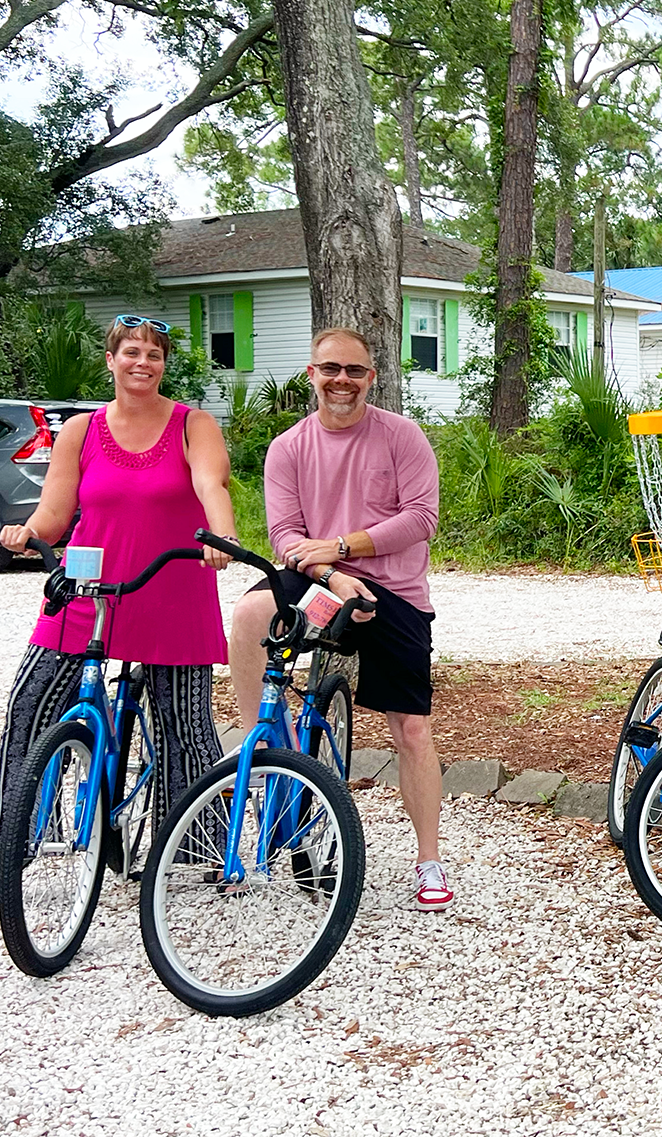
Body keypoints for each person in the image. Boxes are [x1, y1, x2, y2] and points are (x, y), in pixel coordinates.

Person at [0, 317, 238, 904]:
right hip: (88, 590)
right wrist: (27, 532)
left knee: (186, 722)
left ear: (163, 364)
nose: (142, 362)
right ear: (111, 360)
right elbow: (56, 514)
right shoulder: (80, 430)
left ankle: (192, 844)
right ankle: (9, 846)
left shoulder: (191, 425)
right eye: (131, 352)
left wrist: (220, 538)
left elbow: (213, 485)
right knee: (31, 704)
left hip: (171, 585)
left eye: (153, 354)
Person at [227, 327, 450, 910]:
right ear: (312, 375)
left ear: (371, 377)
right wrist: (331, 573)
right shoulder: (289, 446)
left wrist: (343, 549)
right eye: (330, 369)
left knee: (412, 729)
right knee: (252, 610)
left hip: (393, 590)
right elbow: (283, 535)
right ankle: (264, 744)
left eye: (354, 370)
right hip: (323, 580)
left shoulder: (401, 436)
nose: (341, 381)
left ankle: (429, 859)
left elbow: (421, 518)